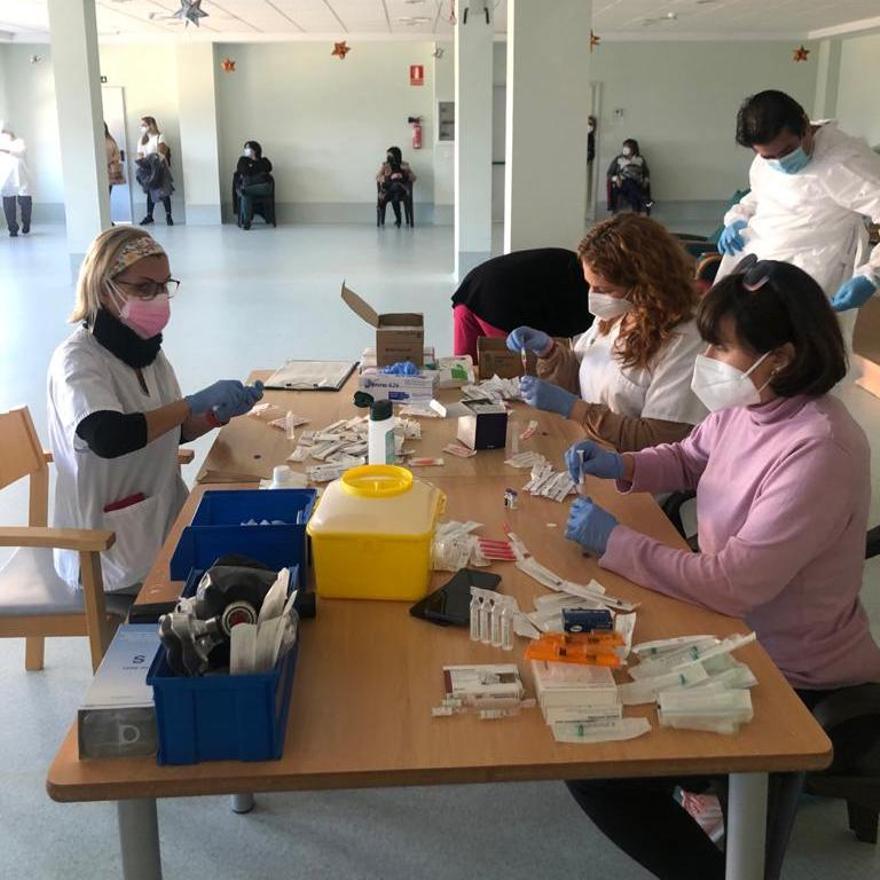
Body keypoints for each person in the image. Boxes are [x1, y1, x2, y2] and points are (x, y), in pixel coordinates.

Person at [563, 257, 880, 880]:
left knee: (599, 768)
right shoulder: (751, 405)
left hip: (787, 668)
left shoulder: (819, 448)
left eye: (719, 346)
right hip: (725, 627)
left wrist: (617, 540)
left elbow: (733, 583)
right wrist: (622, 466)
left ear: (781, 357)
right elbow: (688, 456)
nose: (706, 359)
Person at [47, 227, 264, 595]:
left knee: (265, 559)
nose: (158, 297)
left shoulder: (146, 352)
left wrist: (212, 416)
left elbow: (169, 430)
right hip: (106, 551)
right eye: (144, 288)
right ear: (104, 288)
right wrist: (188, 404)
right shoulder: (77, 361)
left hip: (162, 521)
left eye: (164, 286)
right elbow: (110, 436)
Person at [507, 215, 706, 452]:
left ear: (645, 285)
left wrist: (575, 409)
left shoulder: (685, 340)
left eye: (604, 289)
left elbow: (658, 438)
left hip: (637, 475)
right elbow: (581, 374)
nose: (594, 296)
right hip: (591, 447)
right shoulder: (618, 311)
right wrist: (549, 352)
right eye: (590, 286)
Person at [716, 89, 880, 346]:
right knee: (734, 338)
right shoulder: (764, 159)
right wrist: (738, 217)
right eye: (768, 156)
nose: (779, 162)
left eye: (787, 151)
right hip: (757, 255)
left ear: (804, 124)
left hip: (812, 269)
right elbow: (760, 195)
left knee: (794, 351)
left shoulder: (847, 162)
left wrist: (873, 273)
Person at [451, 248, 593, 360]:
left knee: (463, 373)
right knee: (513, 377)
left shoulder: (577, 264)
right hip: (501, 302)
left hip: (471, 288)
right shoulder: (592, 288)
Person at [136, 116, 173, 225]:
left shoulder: (160, 137)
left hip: (159, 168)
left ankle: (168, 216)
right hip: (147, 169)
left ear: (151, 125)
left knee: (164, 191)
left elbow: (161, 153)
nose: (142, 127)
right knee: (149, 192)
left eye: (144, 125)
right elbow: (140, 155)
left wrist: (153, 160)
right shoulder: (141, 140)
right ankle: (149, 215)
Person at [0, 121, 32, 237]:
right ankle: (12, 228)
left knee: (25, 202)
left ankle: (26, 223)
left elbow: (20, 152)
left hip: (22, 176)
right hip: (6, 178)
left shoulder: (19, 142)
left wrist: (4, 150)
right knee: (8, 204)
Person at [232, 140, 273, 230]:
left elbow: (269, 168)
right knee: (246, 194)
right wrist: (257, 171)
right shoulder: (243, 160)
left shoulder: (264, 160)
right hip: (249, 186)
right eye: (245, 148)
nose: (246, 150)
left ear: (255, 150)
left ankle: (244, 190)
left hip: (263, 188)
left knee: (245, 190)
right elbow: (244, 170)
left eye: (248, 148)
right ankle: (247, 223)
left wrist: (252, 165)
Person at [607, 138, 653, 214]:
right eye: (625, 147)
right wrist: (616, 178)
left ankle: (636, 216)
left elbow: (646, 173)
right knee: (629, 181)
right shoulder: (618, 159)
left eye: (628, 147)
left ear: (634, 148)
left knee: (633, 194)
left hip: (637, 183)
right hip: (621, 184)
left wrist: (646, 181)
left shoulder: (640, 159)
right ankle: (646, 200)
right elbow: (609, 174)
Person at [377, 146, 415, 227]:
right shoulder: (385, 165)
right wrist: (389, 177)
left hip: (401, 190)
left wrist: (403, 175)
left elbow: (414, 177)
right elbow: (377, 177)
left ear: (396, 155)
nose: (388, 157)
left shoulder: (404, 164)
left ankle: (382, 202)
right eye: (387, 155)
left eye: (390, 155)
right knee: (395, 195)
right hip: (391, 189)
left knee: (396, 188)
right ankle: (398, 220)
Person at [105, 122, 125, 198]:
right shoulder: (111, 141)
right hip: (105, 172)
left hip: (109, 172)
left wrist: (110, 160)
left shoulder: (110, 141)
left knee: (106, 196)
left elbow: (117, 155)